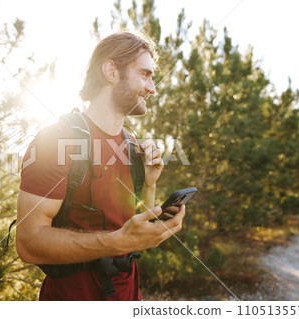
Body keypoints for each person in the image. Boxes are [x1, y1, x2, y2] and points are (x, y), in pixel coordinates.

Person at [16, 32, 185, 301]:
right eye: (145, 74)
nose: (152, 88)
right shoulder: (56, 140)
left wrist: (150, 184)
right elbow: (28, 243)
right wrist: (118, 242)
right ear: (110, 71)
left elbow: (133, 223)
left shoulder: (131, 145)